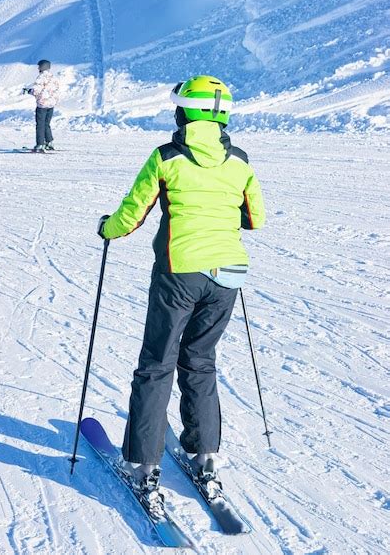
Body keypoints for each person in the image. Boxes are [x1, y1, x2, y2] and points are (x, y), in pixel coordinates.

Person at [97, 75, 266, 509]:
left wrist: (106, 228)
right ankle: (205, 457)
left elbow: (131, 214)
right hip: (228, 274)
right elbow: (255, 219)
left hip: (179, 273)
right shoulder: (241, 161)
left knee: (156, 363)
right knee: (201, 361)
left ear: (182, 113)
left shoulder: (167, 157)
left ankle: (142, 466)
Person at [23, 60, 59, 152]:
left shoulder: (41, 77)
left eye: (39, 66)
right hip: (51, 104)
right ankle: (49, 142)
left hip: (42, 104)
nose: (38, 68)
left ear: (43, 67)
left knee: (40, 124)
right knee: (47, 124)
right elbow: (56, 89)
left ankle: (40, 144)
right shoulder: (53, 77)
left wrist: (28, 91)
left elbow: (36, 91)